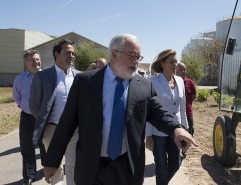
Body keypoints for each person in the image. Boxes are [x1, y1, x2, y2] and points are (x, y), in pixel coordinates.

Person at [41, 33, 197, 185]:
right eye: (131, 56)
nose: (136, 62)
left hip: (126, 166)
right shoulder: (85, 82)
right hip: (91, 165)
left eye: (138, 57)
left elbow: (158, 113)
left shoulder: (144, 85)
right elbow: (67, 123)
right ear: (114, 54)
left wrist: (176, 129)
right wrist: (52, 161)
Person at [29, 39, 80, 185]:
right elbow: (34, 105)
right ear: (56, 54)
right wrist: (43, 120)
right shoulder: (43, 76)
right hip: (52, 129)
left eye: (73, 53)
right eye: (67, 53)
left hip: (75, 129)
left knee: (74, 163)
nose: (71, 56)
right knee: (55, 166)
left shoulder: (79, 76)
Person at [145, 49, 188, 185]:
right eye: (171, 62)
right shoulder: (152, 81)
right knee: (161, 169)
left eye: (175, 61)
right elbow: (149, 111)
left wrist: (185, 129)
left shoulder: (180, 81)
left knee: (175, 165)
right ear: (162, 63)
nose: (174, 64)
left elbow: (182, 107)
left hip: (176, 130)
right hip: (158, 133)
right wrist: (148, 135)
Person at [13, 50, 46, 185]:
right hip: (27, 118)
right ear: (26, 64)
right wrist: (25, 107)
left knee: (45, 145)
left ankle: (48, 168)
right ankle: (29, 175)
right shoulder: (20, 79)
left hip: (44, 118)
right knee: (27, 147)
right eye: (32, 60)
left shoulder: (47, 76)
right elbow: (17, 97)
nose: (36, 62)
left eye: (37, 59)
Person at [176, 62, 196, 136]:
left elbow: (193, 96)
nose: (183, 71)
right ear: (176, 70)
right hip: (176, 114)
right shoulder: (172, 82)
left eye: (184, 69)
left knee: (189, 134)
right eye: (181, 69)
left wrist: (187, 104)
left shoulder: (190, 82)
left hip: (188, 113)